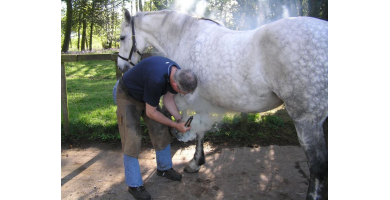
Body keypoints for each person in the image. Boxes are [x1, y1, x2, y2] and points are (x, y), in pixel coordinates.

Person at [114, 56, 198, 200]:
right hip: (127, 95)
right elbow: (150, 112)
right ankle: (134, 185)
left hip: (146, 96)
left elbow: (168, 99)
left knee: (161, 131)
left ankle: (164, 169)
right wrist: (175, 125)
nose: (184, 95)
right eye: (184, 93)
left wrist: (179, 119)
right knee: (132, 138)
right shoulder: (156, 80)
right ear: (176, 85)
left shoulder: (177, 72)